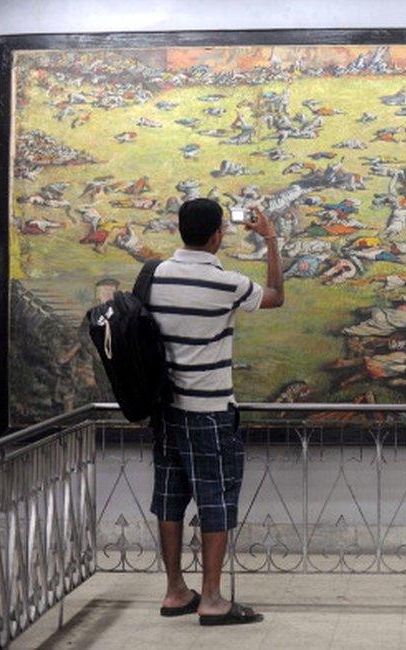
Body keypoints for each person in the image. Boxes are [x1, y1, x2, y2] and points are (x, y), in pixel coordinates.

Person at [148, 199, 284, 626]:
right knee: (217, 501)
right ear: (216, 236)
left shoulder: (154, 276)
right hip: (208, 411)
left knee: (170, 499)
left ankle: (174, 591)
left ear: (180, 230)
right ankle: (210, 598)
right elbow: (276, 297)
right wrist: (271, 240)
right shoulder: (225, 282)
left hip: (165, 409)